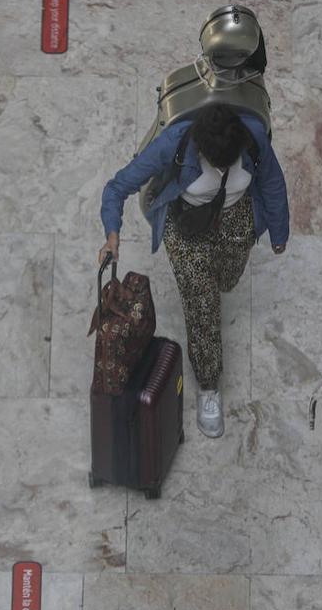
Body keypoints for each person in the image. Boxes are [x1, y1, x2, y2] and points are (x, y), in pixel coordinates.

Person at [98, 103, 289, 438]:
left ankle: (210, 287)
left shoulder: (253, 138)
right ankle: (208, 385)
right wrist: (112, 235)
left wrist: (279, 232)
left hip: (234, 216)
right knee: (202, 306)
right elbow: (117, 187)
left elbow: (272, 183)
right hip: (186, 222)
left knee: (227, 281)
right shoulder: (174, 143)